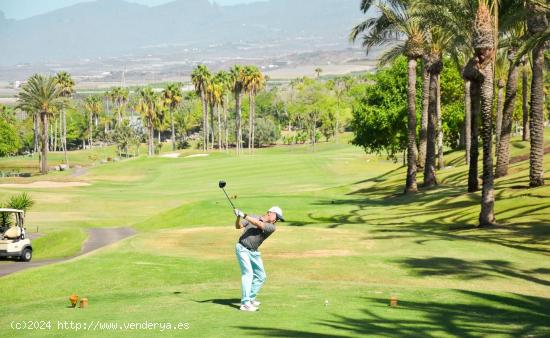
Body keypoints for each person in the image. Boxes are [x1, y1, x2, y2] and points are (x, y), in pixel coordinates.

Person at [234, 206, 284, 311]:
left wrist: (244, 215)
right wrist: (239, 217)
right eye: (277, 217)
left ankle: (250, 298)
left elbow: (258, 224)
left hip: (254, 252)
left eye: (278, 219)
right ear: (270, 213)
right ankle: (245, 303)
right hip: (242, 248)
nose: (277, 220)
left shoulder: (271, 227)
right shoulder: (253, 216)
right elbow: (238, 226)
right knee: (248, 274)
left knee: (261, 276)